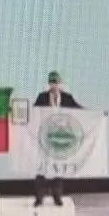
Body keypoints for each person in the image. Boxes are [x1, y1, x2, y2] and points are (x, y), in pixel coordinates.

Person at [32, 71, 82, 207]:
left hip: (59, 137)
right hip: (45, 137)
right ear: (49, 84)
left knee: (58, 167)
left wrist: (98, 115)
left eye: (56, 82)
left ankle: (57, 196)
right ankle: (39, 197)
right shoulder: (42, 97)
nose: (54, 85)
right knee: (41, 167)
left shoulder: (67, 98)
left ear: (60, 83)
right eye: (52, 82)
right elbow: (33, 113)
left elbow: (80, 111)